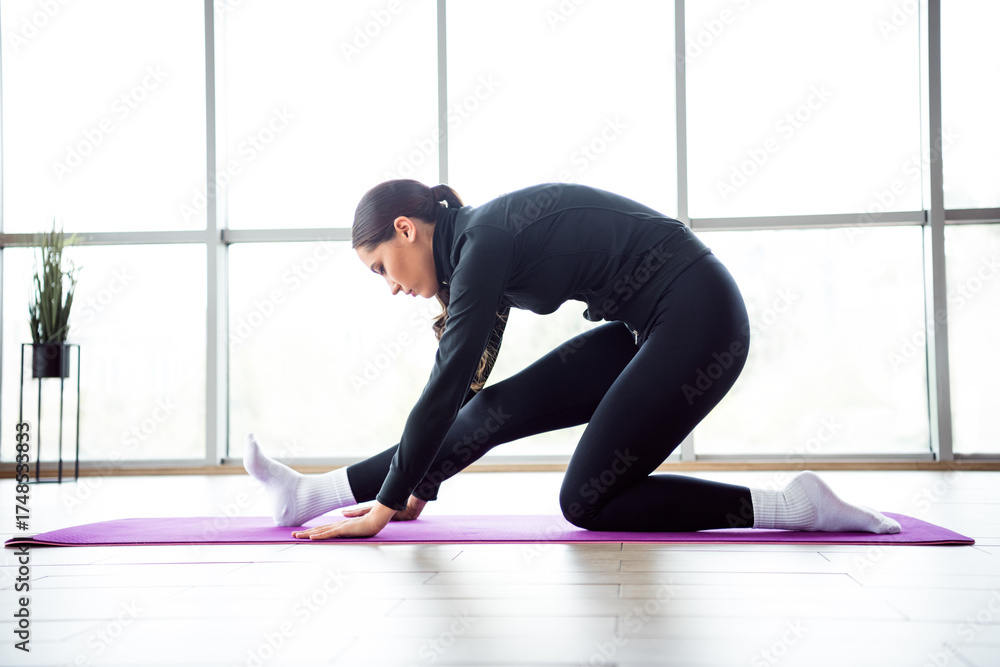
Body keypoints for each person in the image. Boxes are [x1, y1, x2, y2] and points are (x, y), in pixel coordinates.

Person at [243, 180, 901, 540]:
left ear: (407, 230)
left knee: (587, 498)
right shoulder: (478, 249)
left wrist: (388, 503)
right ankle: (308, 494)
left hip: (700, 318)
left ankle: (797, 505)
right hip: (648, 324)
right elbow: (473, 392)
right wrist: (419, 485)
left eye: (381, 266)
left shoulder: (486, 241)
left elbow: (445, 385)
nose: (389, 284)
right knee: (494, 409)